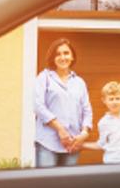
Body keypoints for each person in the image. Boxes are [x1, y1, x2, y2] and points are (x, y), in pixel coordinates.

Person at [34, 38, 93, 167]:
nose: (62, 57)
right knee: (46, 184)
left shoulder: (79, 82)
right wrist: (60, 129)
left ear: (72, 57)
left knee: (68, 185)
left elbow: (87, 110)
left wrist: (84, 133)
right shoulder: (44, 77)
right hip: (47, 143)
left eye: (66, 53)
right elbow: (38, 106)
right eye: (58, 54)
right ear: (53, 58)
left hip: (73, 144)